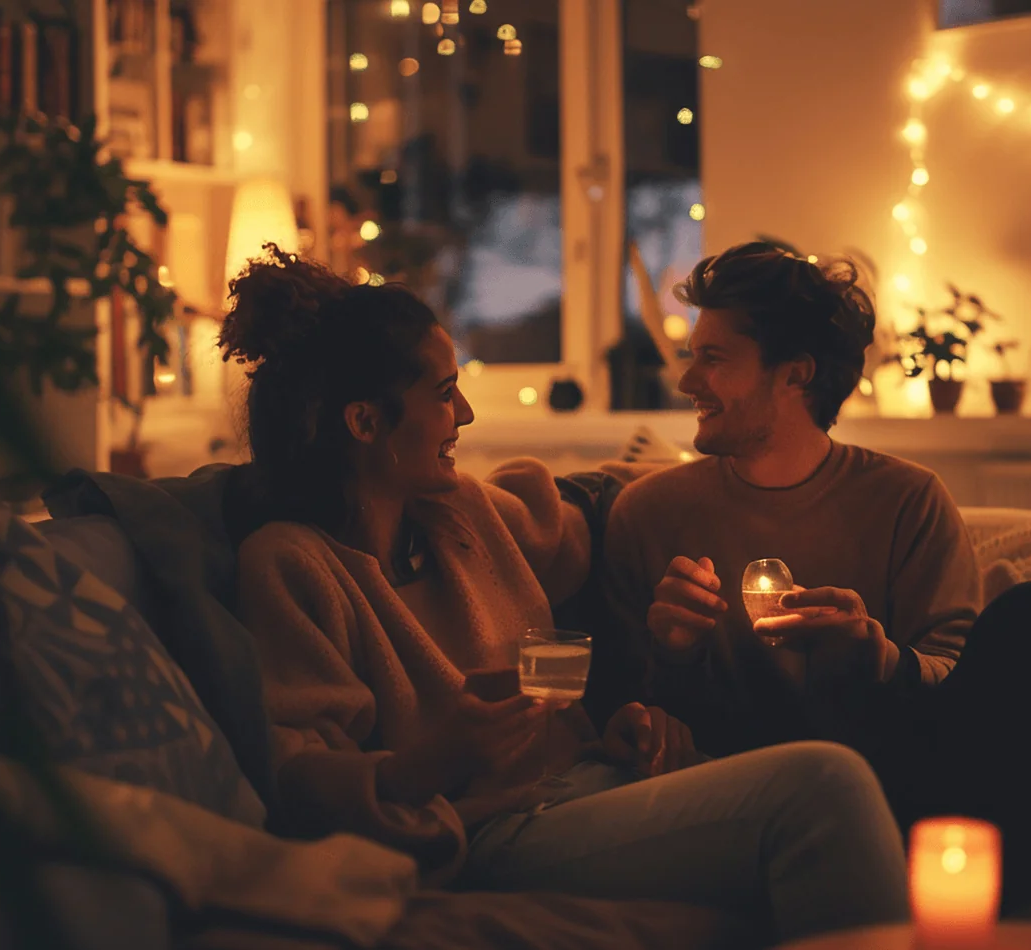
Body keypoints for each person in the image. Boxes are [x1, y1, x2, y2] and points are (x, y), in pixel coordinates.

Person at [223, 244, 910, 942]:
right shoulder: (292, 566)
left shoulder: (463, 513)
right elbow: (300, 781)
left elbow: (599, 508)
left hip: (590, 781)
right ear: (365, 422)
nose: (465, 413)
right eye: (443, 392)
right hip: (498, 825)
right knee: (823, 786)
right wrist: (437, 760)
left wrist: (618, 727)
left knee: (848, 796)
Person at [600, 242, 1031, 910]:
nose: (687, 381)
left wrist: (878, 657)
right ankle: (923, 870)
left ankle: (922, 857)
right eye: (693, 357)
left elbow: (960, 678)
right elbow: (614, 712)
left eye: (713, 359)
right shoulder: (647, 513)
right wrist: (673, 653)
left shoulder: (908, 500)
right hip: (735, 794)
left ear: (796, 375)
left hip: (897, 769)